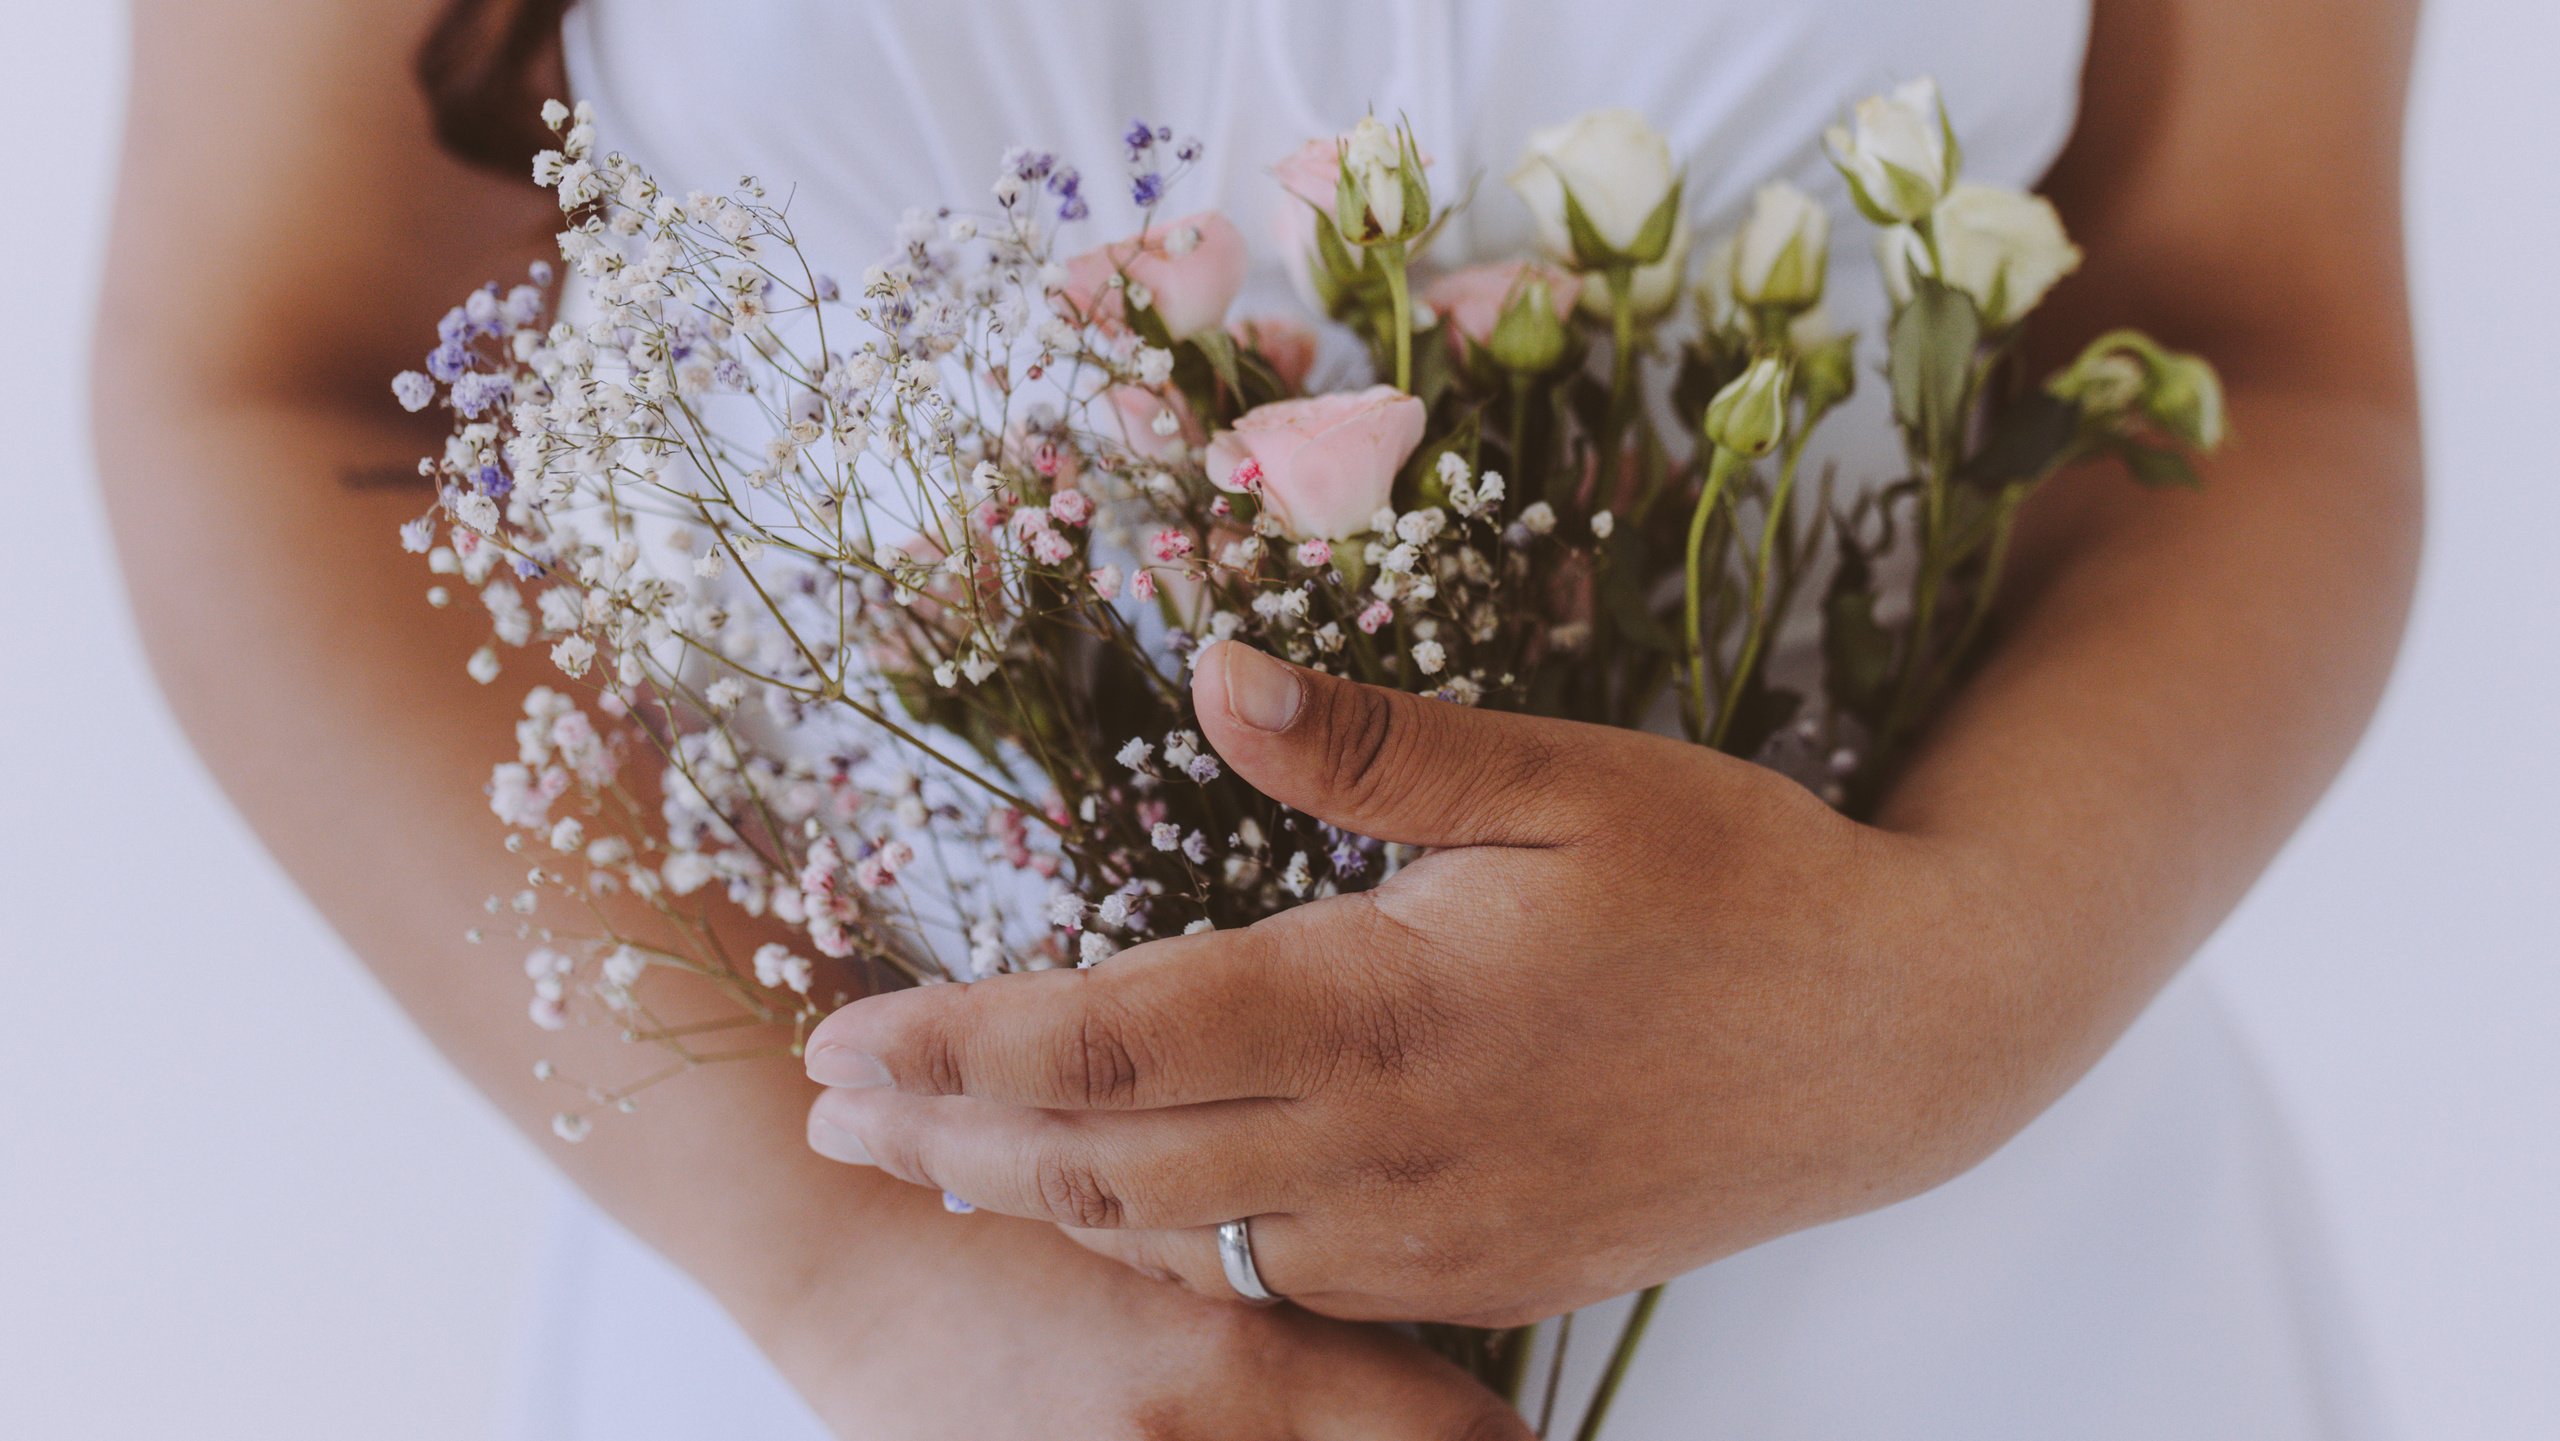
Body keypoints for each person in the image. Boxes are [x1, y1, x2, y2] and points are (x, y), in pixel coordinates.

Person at [94, 0, 2420, 1434]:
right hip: (900, 1301)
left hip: (1946, 1269)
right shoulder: (881, 1304)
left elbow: (2254, 334)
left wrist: (1954, 987)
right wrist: (871, 1293)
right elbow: (275, 380)